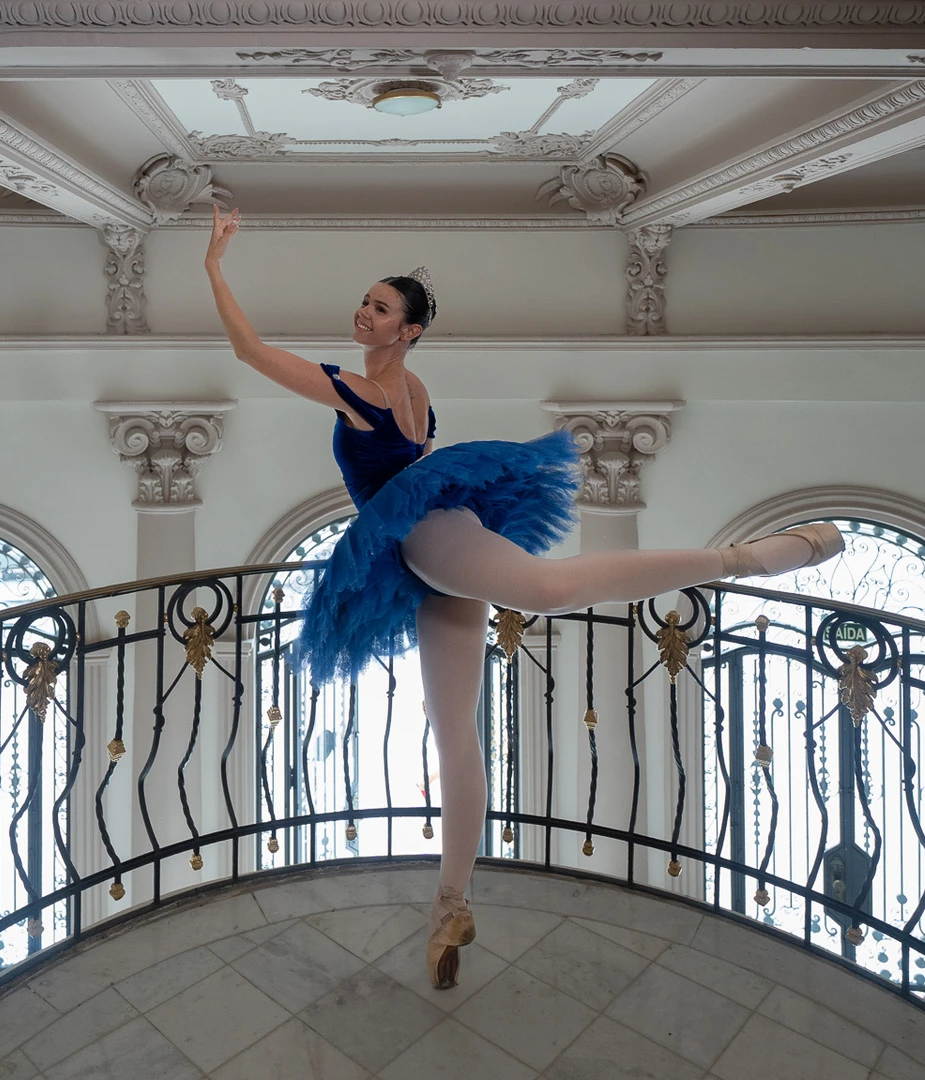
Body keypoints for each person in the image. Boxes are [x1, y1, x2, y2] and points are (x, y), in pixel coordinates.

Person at [204, 206, 843, 990]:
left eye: (381, 307)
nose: (363, 313)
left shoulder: (358, 392)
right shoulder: (410, 390)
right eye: (365, 302)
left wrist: (215, 266)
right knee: (456, 735)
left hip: (433, 538)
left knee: (548, 589)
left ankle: (748, 558)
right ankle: (451, 904)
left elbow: (249, 350)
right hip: (433, 550)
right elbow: (415, 458)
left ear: (407, 331)